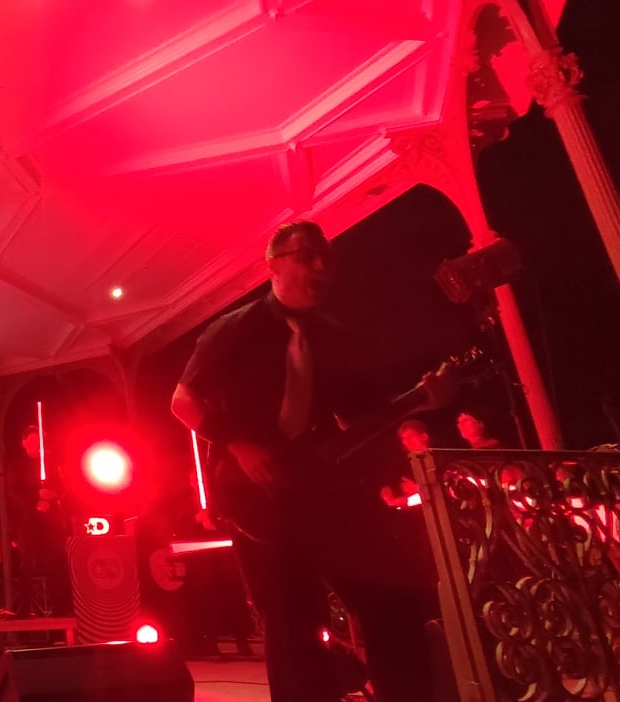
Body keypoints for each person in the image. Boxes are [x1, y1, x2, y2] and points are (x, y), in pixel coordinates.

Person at [171, 220, 452, 702]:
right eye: (307, 256)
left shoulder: (334, 337)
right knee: (292, 619)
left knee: (392, 602)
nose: (320, 267)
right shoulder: (234, 329)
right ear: (274, 265)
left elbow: (359, 415)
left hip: (323, 489)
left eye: (326, 258)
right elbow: (183, 401)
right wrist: (239, 444)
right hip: (256, 498)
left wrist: (417, 401)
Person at [4, 425, 71, 616]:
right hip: (28, 519)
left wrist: (52, 495)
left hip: (50, 519)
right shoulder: (17, 464)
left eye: (38, 440)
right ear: (24, 443)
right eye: (32, 440)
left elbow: (62, 486)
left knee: (54, 561)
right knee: (28, 562)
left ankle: (59, 606)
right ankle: (25, 607)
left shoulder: (50, 461)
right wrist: (35, 500)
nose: (36, 444)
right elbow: (13, 491)